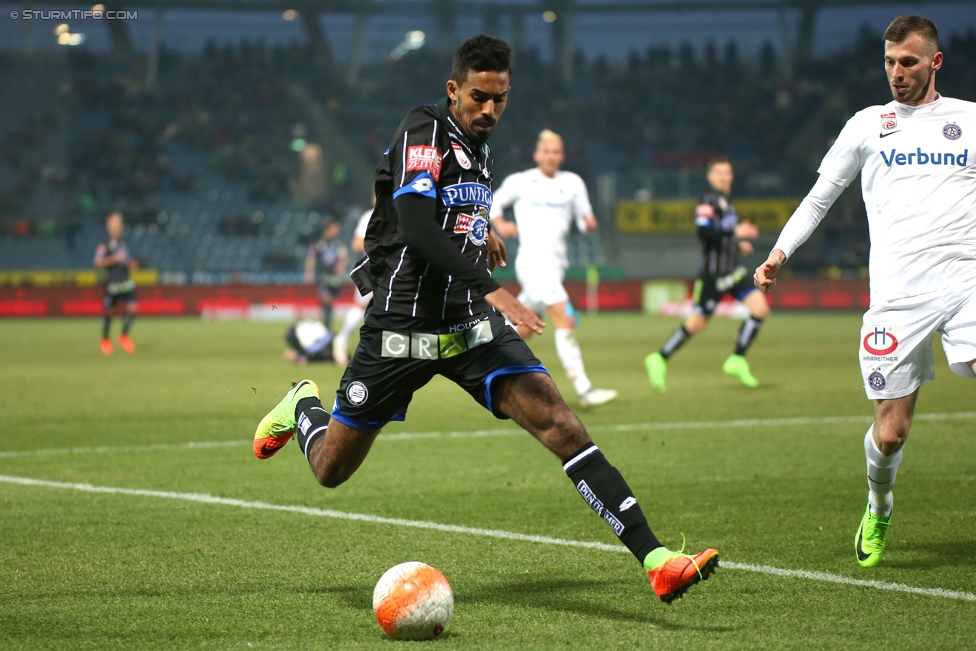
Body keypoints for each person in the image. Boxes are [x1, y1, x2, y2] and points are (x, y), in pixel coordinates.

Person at [252, 34, 718, 603]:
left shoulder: (480, 147)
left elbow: (452, 208)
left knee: (561, 424)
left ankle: (657, 559)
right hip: (401, 328)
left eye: (500, 99)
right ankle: (302, 403)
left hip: (469, 327)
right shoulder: (423, 130)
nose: (490, 110)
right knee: (330, 470)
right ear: (453, 90)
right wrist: (493, 288)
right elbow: (418, 225)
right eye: (478, 98)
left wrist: (481, 230)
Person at [754, 15, 976, 567]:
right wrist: (780, 251)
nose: (897, 73)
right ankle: (879, 504)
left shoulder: (970, 122)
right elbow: (818, 198)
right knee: (892, 433)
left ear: (935, 62)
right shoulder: (866, 126)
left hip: (967, 280)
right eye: (889, 62)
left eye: (909, 62)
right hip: (898, 296)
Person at [490, 130, 618, 408]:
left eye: (556, 151)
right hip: (534, 263)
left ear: (563, 155)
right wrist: (501, 224)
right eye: (546, 151)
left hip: (556, 264)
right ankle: (584, 390)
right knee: (565, 320)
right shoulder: (522, 181)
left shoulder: (572, 183)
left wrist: (588, 224)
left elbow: (585, 220)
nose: (551, 156)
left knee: (521, 327)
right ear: (537, 154)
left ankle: (485, 365)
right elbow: (493, 204)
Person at [644, 157, 767, 392]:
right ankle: (659, 357)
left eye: (727, 172)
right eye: (718, 172)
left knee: (760, 309)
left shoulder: (728, 203)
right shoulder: (707, 201)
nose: (723, 176)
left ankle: (737, 359)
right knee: (697, 323)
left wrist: (737, 244)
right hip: (712, 275)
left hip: (732, 271)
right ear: (710, 176)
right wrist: (735, 232)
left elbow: (722, 237)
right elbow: (704, 233)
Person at [332, 198, 375, 365]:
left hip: (397, 269)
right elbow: (356, 244)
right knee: (360, 307)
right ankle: (341, 339)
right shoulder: (369, 216)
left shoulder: (400, 212)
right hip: (375, 268)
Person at [94, 211, 137, 355]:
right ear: (109, 226)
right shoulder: (105, 245)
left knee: (132, 308)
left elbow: (124, 260)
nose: (118, 226)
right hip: (112, 281)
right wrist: (115, 259)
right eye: (115, 223)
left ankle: (124, 336)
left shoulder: (125, 242)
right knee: (109, 311)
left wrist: (130, 264)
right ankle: (105, 339)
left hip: (125, 280)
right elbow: (98, 262)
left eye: (119, 223)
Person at [304, 219, 348, 329]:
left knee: (330, 302)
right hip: (322, 276)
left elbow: (344, 258)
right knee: (326, 299)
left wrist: (341, 269)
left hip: (334, 277)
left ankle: (327, 325)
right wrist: (309, 274)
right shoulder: (318, 244)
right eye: (334, 229)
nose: (336, 232)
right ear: (327, 230)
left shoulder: (338, 244)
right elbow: (311, 258)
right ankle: (326, 327)